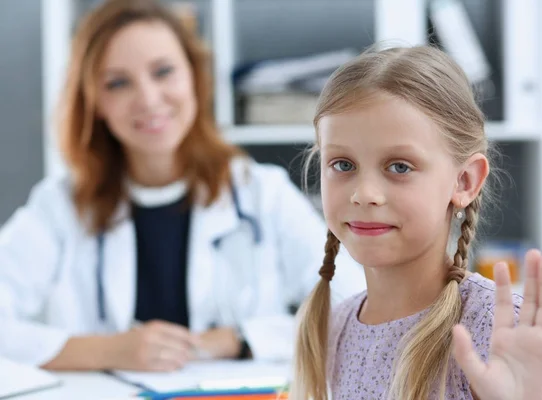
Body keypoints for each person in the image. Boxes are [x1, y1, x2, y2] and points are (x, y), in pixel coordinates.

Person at [0, 0, 365, 372]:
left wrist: (239, 339)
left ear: (194, 76)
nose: (147, 98)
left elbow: (355, 306)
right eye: (118, 82)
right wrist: (106, 351)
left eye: (163, 72)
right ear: (95, 101)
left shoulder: (261, 193)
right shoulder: (61, 205)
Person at [289, 45, 542, 400]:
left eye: (399, 166)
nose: (364, 194)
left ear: (464, 182)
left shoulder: (493, 325)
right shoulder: (336, 325)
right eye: (342, 165)